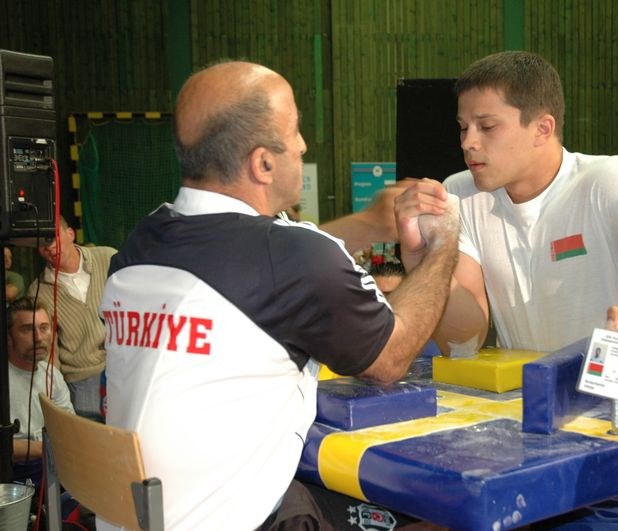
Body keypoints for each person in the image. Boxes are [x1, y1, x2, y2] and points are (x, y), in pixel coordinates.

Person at [396, 50, 618, 529]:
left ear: (542, 128)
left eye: (487, 126)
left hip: (616, 428)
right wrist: (423, 257)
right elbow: (464, 335)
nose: (468, 142)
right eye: (463, 128)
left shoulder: (612, 183)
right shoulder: (462, 193)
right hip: (523, 427)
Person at [99, 60, 458, 531]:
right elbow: (392, 355)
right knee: (441, 517)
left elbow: (266, 267)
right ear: (263, 163)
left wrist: (370, 224)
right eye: (295, 130)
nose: (304, 144)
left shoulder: (144, 241)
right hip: (236, 522)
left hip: (135, 514)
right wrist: (445, 243)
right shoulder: (295, 259)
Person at [27, 217, 115, 421]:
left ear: (70, 234)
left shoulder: (109, 257)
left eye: (52, 238)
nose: (48, 247)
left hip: (123, 367)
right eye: (40, 245)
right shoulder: (38, 292)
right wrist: (56, 398)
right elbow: (50, 352)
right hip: (82, 382)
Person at [7, 297, 74, 478]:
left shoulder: (53, 375)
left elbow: (69, 429)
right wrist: (41, 448)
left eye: (44, 328)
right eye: (27, 329)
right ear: (8, 337)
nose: (38, 338)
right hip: (12, 474)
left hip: (51, 466)